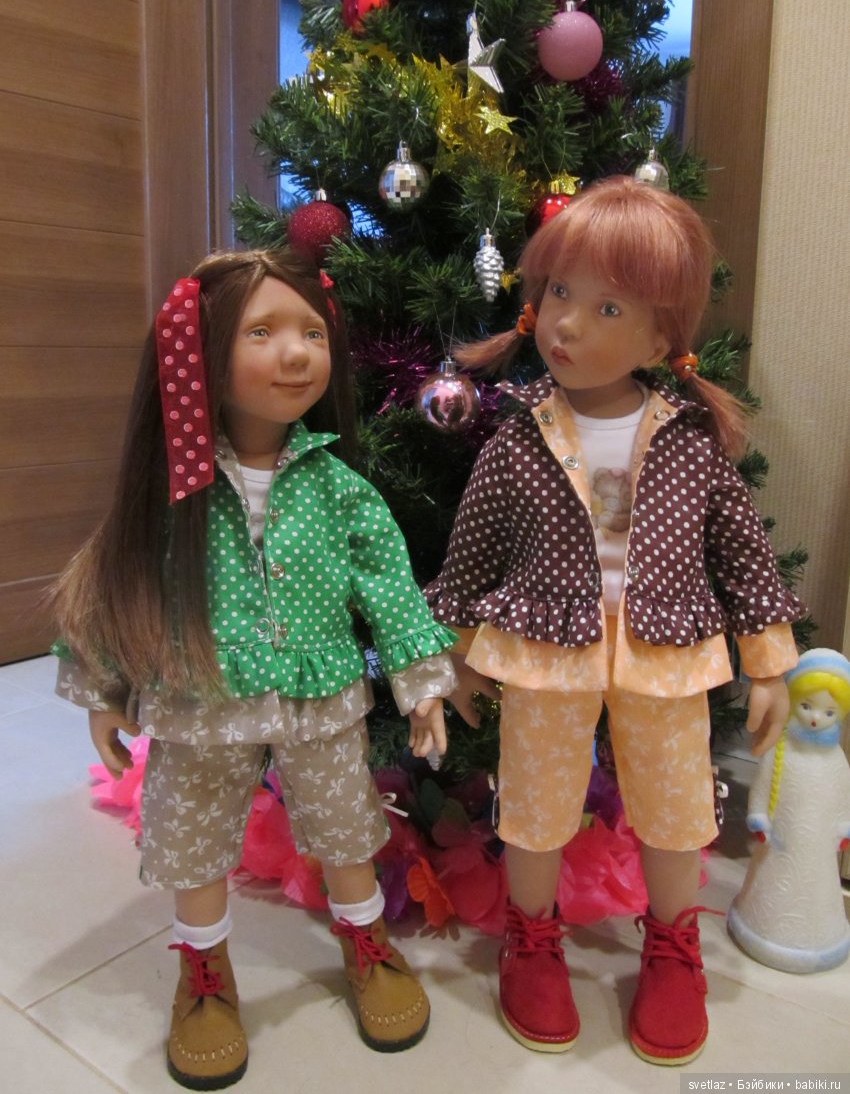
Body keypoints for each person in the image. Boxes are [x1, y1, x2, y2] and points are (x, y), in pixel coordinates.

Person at [51, 249, 456, 1089]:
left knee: (345, 822)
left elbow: (389, 583)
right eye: (262, 331)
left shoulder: (339, 487)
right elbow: (119, 583)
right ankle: (204, 974)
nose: (297, 353)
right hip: (202, 696)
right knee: (192, 834)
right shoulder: (173, 489)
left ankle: (366, 940)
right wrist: (103, 689)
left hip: (321, 695)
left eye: (313, 332)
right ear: (198, 352)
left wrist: (421, 682)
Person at [426, 176, 805, 1065]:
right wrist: (459, 653)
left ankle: (673, 942)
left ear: (662, 337)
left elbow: (743, 552)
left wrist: (768, 659)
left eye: (606, 307)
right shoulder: (518, 436)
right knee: (534, 806)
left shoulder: (690, 441)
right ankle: (531, 935)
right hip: (545, 652)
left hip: (666, 652)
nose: (566, 323)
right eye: (559, 291)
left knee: (676, 810)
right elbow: (472, 548)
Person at [728, 648, 850, 972]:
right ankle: (760, 927)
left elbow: (843, 794)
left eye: (828, 712)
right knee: (773, 876)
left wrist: (844, 825)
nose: (815, 718)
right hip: (780, 843)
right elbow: (763, 785)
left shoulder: (837, 761)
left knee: (816, 884)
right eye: (807, 706)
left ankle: (818, 938)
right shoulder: (780, 752)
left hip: (819, 849)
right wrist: (758, 816)